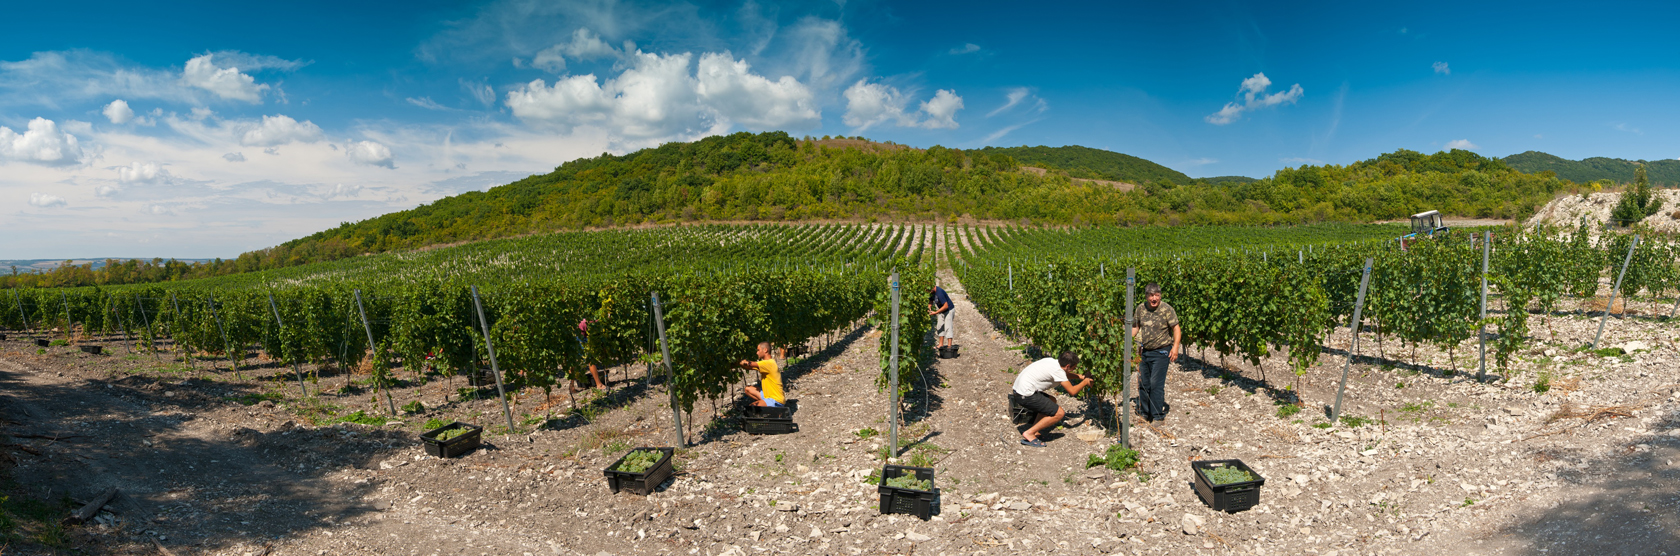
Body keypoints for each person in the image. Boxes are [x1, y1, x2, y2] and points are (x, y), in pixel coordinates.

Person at [1009, 351, 1093, 447]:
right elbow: (1072, 391)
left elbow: (1064, 375)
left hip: (1020, 390)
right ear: (1068, 366)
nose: (1074, 370)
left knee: (1052, 400)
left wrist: (1080, 377)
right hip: (1025, 395)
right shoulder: (1058, 371)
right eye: (1073, 368)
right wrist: (1085, 382)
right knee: (1059, 413)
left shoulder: (1053, 362)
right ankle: (1029, 433)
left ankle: (1035, 430)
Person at [1131, 283, 1181, 423]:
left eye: (1157, 295)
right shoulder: (1141, 308)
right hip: (1144, 351)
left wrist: (1175, 347)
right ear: (1146, 296)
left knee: (1155, 383)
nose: (1154, 298)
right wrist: (1127, 340)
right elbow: (1136, 327)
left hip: (1162, 351)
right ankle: (1145, 413)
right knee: (1143, 382)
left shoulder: (1167, 309)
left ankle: (1158, 416)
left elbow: (1176, 328)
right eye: (1151, 295)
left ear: (1160, 295)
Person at [739, 342, 785, 407]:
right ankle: (765, 405)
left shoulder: (769, 363)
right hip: (768, 395)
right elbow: (748, 367)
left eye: (758, 350)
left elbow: (748, 364)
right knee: (748, 389)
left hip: (776, 400)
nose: (757, 353)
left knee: (751, 408)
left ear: (765, 350)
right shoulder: (766, 364)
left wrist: (739, 361)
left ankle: (776, 409)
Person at [570, 319, 605, 393]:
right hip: (580, 335)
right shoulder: (590, 314)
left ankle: (571, 386)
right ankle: (599, 384)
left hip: (576, 333)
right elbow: (591, 324)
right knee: (590, 359)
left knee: (572, 361)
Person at [928, 285, 954, 351]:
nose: (928, 292)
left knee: (948, 327)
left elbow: (946, 306)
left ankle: (949, 346)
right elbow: (931, 300)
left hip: (949, 310)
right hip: (942, 310)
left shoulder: (939, 293)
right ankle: (941, 344)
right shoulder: (932, 292)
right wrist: (929, 307)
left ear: (933, 287)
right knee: (939, 326)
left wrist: (936, 312)